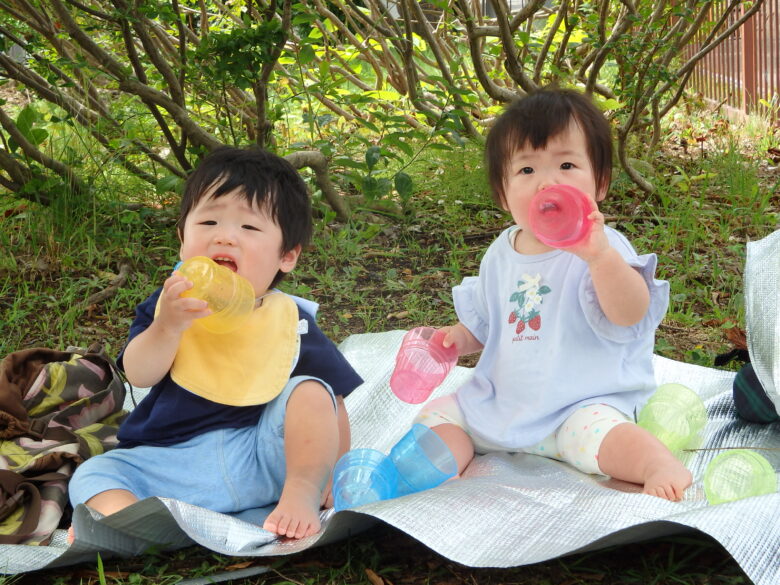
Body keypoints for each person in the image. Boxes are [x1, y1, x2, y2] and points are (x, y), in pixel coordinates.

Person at [69, 147, 363, 539]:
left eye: (250, 228)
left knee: (310, 390)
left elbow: (332, 403)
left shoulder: (291, 322)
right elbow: (138, 375)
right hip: (171, 464)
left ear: (287, 256)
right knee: (94, 473)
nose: (225, 236)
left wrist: (332, 473)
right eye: (208, 221)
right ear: (182, 240)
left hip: (261, 457)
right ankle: (130, 522)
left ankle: (301, 493)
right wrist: (168, 327)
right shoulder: (170, 306)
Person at [415, 88, 692, 500]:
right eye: (526, 171)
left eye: (566, 164)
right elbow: (487, 322)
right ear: (502, 193)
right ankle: (436, 472)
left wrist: (599, 258)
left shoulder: (604, 248)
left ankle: (655, 463)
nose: (548, 182)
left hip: (578, 405)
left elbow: (631, 313)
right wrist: (455, 338)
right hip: (503, 401)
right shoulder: (500, 253)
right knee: (438, 415)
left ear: (599, 183)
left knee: (606, 435)